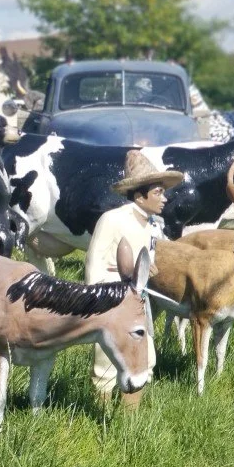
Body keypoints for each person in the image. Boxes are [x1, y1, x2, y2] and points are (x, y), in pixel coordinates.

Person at [85, 150, 183, 408]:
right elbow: (94, 262)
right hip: (111, 298)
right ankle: (102, 413)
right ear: (140, 195)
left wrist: (147, 269)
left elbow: (143, 259)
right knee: (107, 360)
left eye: (163, 192)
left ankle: (130, 421)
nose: (164, 198)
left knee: (144, 357)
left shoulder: (152, 226)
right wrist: (97, 303)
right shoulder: (113, 220)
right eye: (158, 192)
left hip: (137, 300)